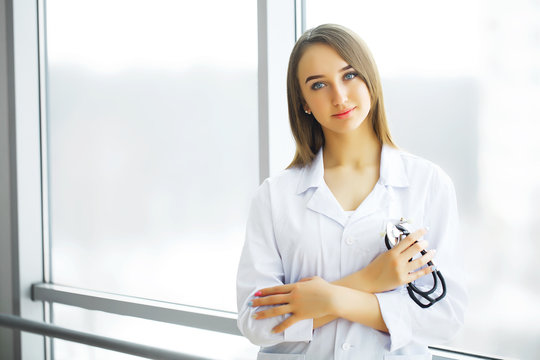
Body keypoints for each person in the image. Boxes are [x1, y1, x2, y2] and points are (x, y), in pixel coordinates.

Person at [236, 23, 467, 359]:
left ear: (369, 79)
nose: (339, 96)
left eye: (349, 76)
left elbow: (446, 318)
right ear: (304, 102)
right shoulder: (275, 197)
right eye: (318, 84)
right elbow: (256, 324)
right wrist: (370, 279)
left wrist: (330, 299)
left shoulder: (429, 184)